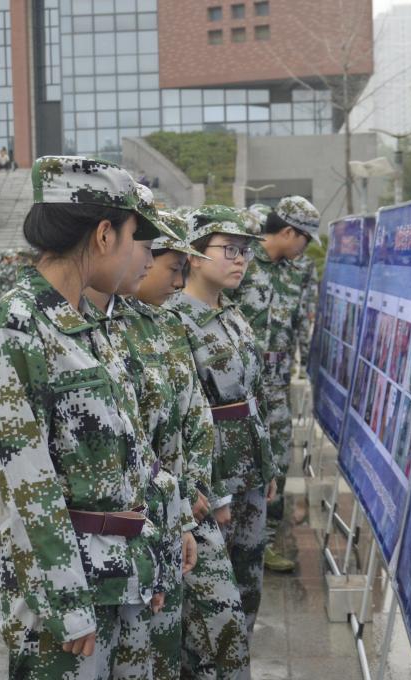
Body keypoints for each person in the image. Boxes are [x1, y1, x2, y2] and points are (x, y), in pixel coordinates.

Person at [0, 156, 168, 678]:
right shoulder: (18, 327)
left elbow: (133, 456)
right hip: (67, 596)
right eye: (133, 236)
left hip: (122, 573)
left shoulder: (88, 322)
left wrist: (154, 557)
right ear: (104, 235)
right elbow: (28, 484)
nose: (138, 254)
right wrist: (67, 602)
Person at [84, 188, 203, 680]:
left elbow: (186, 418)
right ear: (106, 237)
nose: (166, 272)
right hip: (93, 551)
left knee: (158, 658)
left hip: (156, 522)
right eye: (145, 244)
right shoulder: (46, 326)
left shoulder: (150, 323)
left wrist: (181, 516)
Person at [165, 205, 277, 668]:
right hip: (213, 479)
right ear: (193, 255)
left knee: (248, 587)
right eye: (229, 249)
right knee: (211, 608)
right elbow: (182, 418)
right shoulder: (173, 320)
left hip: (250, 469)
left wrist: (267, 466)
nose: (241, 259)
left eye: (245, 250)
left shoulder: (233, 314)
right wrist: (213, 492)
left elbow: (254, 396)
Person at [140, 209, 250, 679]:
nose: (177, 280)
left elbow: (196, 417)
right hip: (151, 517)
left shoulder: (164, 325)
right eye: (173, 266)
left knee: (225, 635)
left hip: (191, 505)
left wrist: (202, 489)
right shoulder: (133, 329)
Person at [226, 196, 320, 573]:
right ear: (288, 232)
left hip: (277, 385)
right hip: (238, 384)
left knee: (278, 460)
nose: (305, 248)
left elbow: (300, 325)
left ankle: (263, 543)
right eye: (305, 239)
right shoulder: (243, 262)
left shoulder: (296, 272)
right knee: (239, 460)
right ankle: (230, 539)